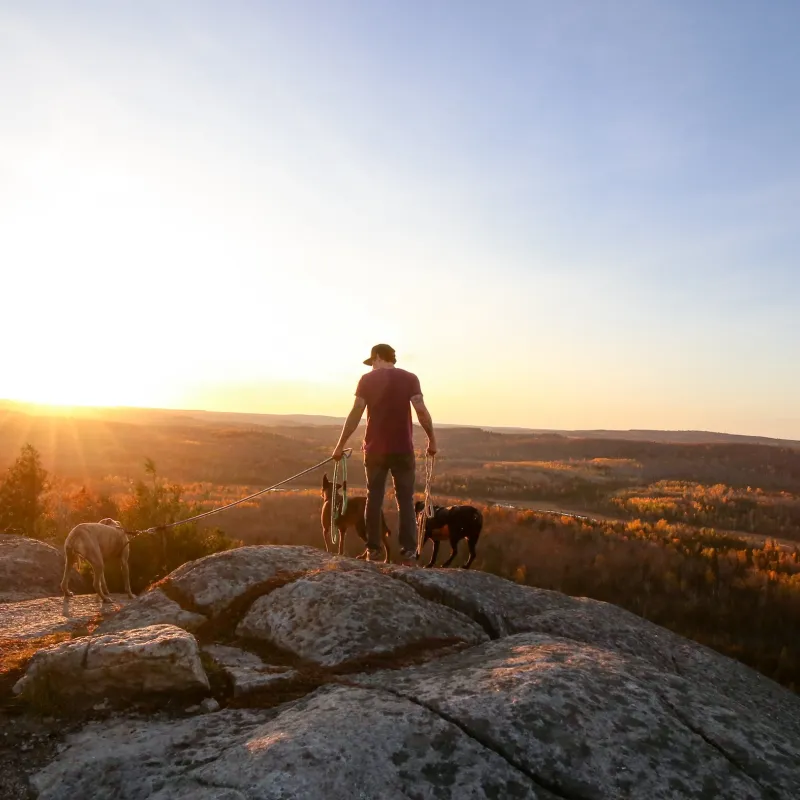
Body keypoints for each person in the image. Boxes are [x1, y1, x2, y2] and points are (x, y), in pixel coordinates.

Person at [332, 343, 437, 565]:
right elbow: (421, 411)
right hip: (402, 450)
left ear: (378, 357)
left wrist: (340, 445)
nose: (371, 367)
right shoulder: (410, 378)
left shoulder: (367, 380)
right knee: (406, 501)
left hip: (375, 450)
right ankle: (408, 553)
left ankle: (374, 550)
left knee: (374, 499)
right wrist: (432, 440)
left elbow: (355, 413)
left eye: (372, 362)